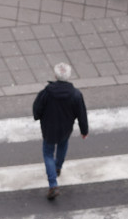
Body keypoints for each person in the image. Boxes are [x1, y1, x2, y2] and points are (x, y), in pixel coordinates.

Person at [32, 63, 88, 200]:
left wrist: (37, 116)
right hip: (66, 128)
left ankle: (53, 184)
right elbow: (81, 113)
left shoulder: (46, 92)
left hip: (49, 128)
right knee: (63, 145)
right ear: (69, 76)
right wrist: (84, 130)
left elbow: (37, 108)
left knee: (48, 153)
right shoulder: (75, 94)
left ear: (55, 75)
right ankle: (58, 167)